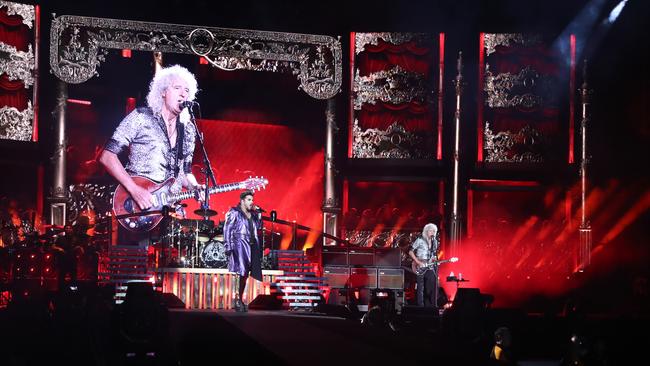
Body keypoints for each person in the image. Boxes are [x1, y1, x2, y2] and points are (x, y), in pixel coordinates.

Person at [99, 65, 203, 245]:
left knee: (168, 264)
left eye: (187, 90)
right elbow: (107, 156)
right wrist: (134, 189)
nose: (183, 94)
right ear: (163, 92)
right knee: (136, 266)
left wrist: (195, 187)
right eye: (177, 88)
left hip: (169, 210)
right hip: (136, 207)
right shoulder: (141, 117)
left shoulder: (188, 130)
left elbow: (185, 173)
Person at [224, 190, 263, 312]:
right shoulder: (235, 212)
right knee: (241, 272)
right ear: (242, 201)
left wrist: (259, 215)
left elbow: (258, 227)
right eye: (249, 200)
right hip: (239, 245)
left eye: (252, 200)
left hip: (252, 246)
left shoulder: (253, 214)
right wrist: (228, 246)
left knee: (246, 274)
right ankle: (237, 301)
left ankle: (240, 299)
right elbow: (227, 229)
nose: (252, 202)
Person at [408, 223, 440, 307]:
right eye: (431, 230)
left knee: (432, 284)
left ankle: (431, 305)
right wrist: (418, 262)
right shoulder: (420, 240)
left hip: (430, 265)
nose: (432, 232)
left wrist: (435, 260)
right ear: (426, 231)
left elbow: (434, 254)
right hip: (420, 264)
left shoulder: (435, 242)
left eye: (434, 231)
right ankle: (420, 306)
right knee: (420, 286)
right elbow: (410, 251)